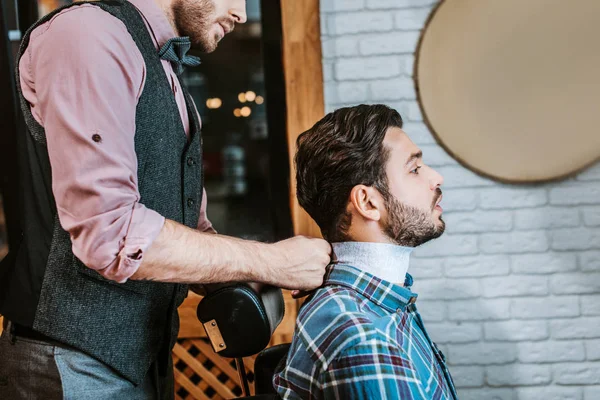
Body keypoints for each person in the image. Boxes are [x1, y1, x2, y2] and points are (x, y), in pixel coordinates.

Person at [0, 0, 331, 398]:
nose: (242, 14)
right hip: (73, 362)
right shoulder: (87, 33)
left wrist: (257, 272)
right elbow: (113, 233)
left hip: (144, 357)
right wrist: (274, 261)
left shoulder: (161, 63)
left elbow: (188, 224)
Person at [273, 104, 459, 399]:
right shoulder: (366, 341)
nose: (436, 178)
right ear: (368, 202)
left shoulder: (382, 303)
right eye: (414, 169)